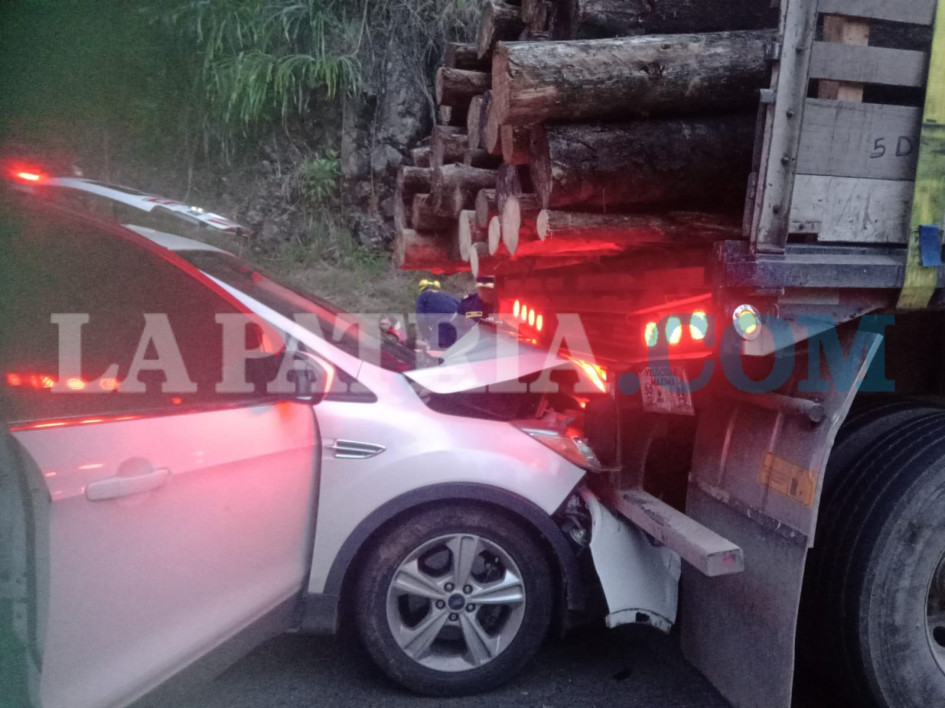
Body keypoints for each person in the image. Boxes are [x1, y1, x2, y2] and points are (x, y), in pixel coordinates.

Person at [415, 278, 459, 349]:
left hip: (443, 323)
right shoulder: (447, 296)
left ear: (422, 289)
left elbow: (421, 319)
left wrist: (426, 335)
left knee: (434, 347)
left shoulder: (423, 297)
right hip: (457, 322)